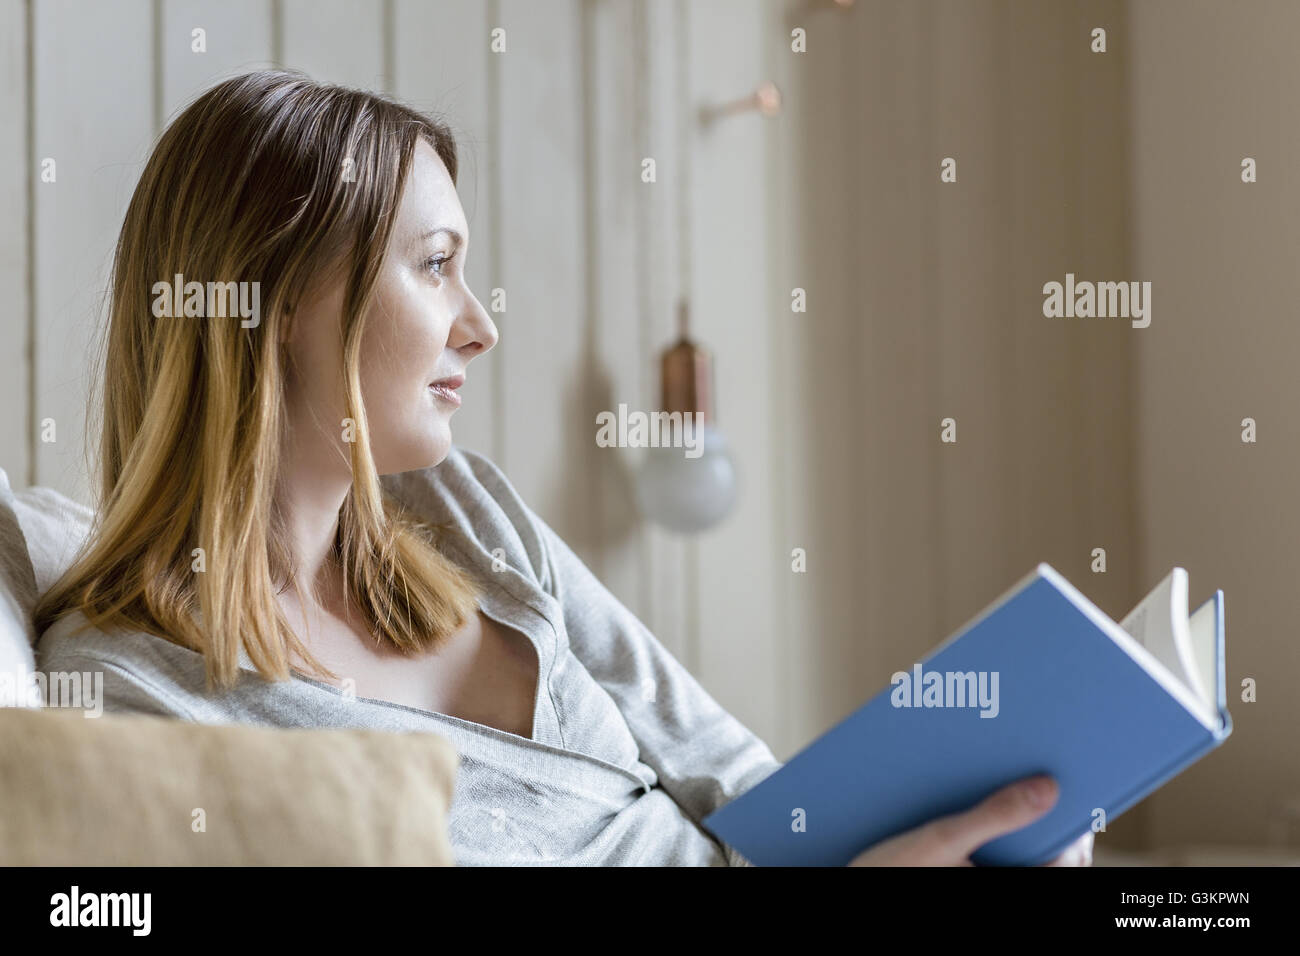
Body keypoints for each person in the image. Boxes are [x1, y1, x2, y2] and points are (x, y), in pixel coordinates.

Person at [34, 69, 1091, 867]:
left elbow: (737, 778)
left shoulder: (465, 509)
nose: (478, 325)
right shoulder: (132, 694)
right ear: (272, 299)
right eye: (437, 265)